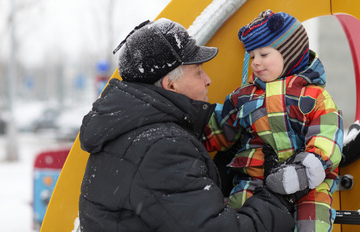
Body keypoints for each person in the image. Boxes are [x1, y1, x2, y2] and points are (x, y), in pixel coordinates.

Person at [78, 18, 304, 231]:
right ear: (171, 85)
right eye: (198, 72)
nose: (208, 79)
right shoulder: (160, 148)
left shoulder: (133, 133)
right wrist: (279, 198)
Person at [203, 10, 344, 231]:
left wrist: (305, 170)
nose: (256, 63)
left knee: (312, 221)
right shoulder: (244, 96)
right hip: (255, 180)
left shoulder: (315, 97)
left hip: (308, 184)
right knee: (238, 219)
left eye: (264, 54)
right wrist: (196, 129)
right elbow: (220, 131)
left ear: (290, 53)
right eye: (252, 56)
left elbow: (327, 136)